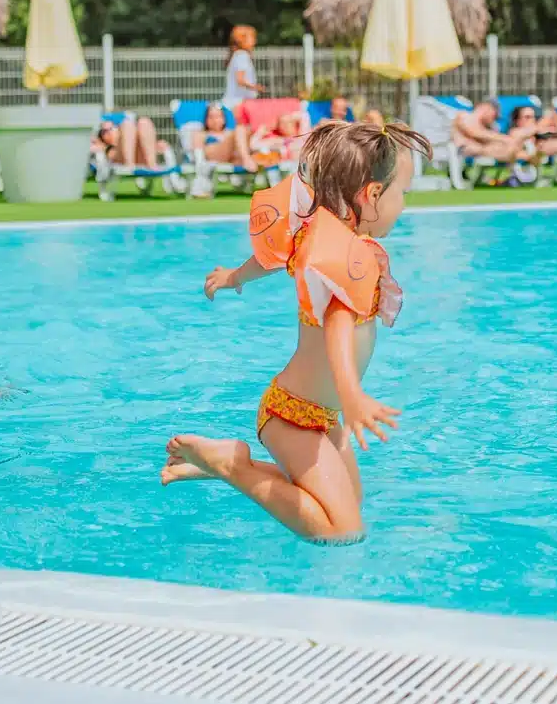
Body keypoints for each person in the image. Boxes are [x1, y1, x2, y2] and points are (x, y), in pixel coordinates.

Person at [164, 121, 431, 544]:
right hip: (293, 418)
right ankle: (234, 466)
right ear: (373, 195)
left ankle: (222, 465)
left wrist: (235, 276)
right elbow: (337, 330)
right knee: (342, 530)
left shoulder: (321, 237)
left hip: (318, 415)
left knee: (350, 501)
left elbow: (272, 258)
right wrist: (352, 397)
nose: (404, 204)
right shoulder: (346, 256)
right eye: (403, 193)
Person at [450, 97, 530, 165]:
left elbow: (486, 140)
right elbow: (474, 132)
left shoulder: (484, 126)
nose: (494, 120)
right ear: (487, 108)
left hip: (478, 152)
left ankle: (526, 155)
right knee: (505, 147)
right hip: (461, 151)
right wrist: (504, 139)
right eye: (495, 116)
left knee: (511, 149)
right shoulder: (464, 115)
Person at [92, 114, 168, 170]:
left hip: (142, 156)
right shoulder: (104, 147)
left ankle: (152, 165)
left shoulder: (127, 135)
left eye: (112, 128)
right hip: (120, 159)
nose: (109, 132)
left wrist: (155, 145)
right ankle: (129, 165)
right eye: (104, 131)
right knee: (127, 124)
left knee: (144, 121)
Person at [223, 25, 262, 110]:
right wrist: (255, 87)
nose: (254, 41)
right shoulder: (242, 55)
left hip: (234, 103)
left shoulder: (237, 55)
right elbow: (240, 80)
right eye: (252, 37)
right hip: (239, 103)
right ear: (242, 40)